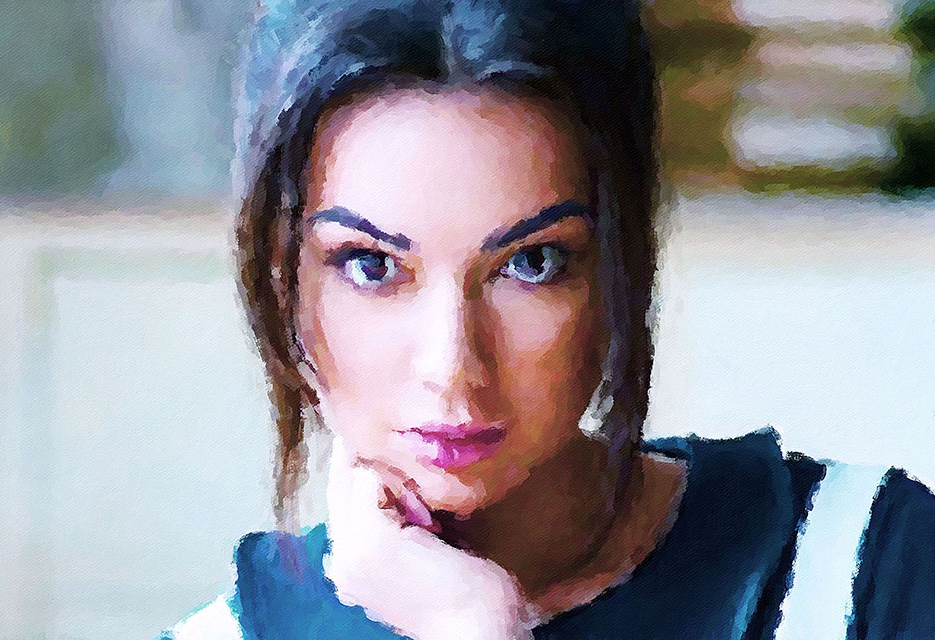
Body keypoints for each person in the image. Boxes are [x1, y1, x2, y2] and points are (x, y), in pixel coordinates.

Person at [160, 0, 935, 638]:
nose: (452, 366)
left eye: (529, 263)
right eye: (371, 266)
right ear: (282, 275)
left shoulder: (866, 571)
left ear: (619, 260)